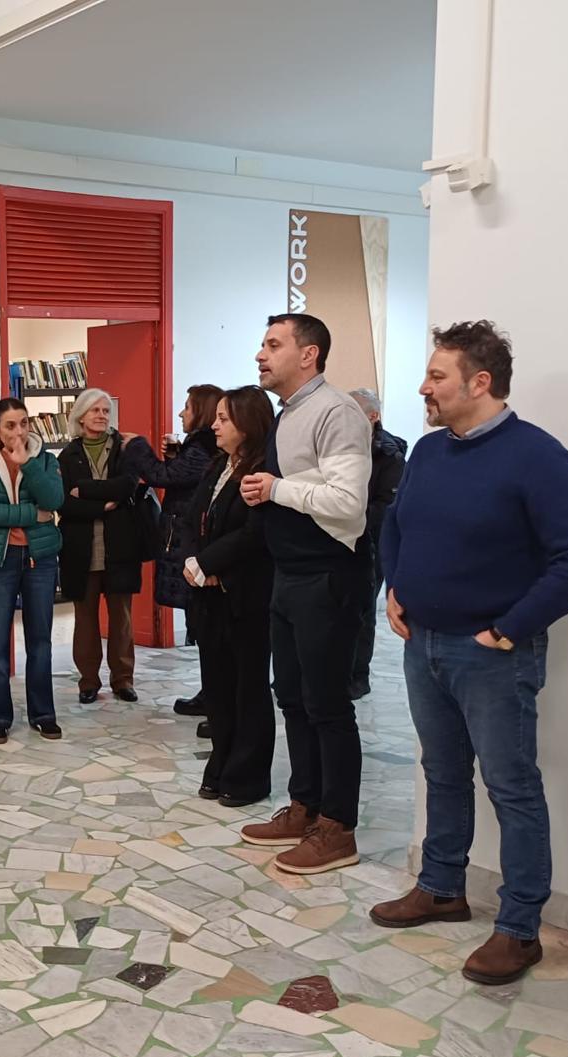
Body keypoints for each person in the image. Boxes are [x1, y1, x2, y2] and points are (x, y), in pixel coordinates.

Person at [371, 321, 568, 986]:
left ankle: (518, 929)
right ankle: (442, 886)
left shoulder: (538, 458)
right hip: (426, 647)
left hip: (493, 654)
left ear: (481, 383)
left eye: (437, 375)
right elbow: (396, 524)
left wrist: (509, 628)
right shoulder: (429, 451)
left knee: (513, 790)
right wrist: (395, 586)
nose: (424, 386)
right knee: (442, 773)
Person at [236, 314, 373, 875]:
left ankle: (337, 828)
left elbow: (348, 504)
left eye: (273, 345)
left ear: (309, 355)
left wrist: (276, 488)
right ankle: (305, 805)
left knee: (327, 705)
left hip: (326, 575)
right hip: (289, 574)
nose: (260, 355)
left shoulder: (335, 412)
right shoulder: (289, 413)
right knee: (291, 696)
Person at [182, 387, 278, 808]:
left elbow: (256, 532)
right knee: (218, 688)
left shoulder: (265, 468)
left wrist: (209, 563)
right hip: (209, 596)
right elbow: (193, 516)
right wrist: (191, 559)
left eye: (224, 419)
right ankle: (219, 764)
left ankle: (248, 776)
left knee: (248, 689)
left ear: (248, 424)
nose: (215, 425)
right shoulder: (220, 464)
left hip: (244, 595)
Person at [0, 397, 65, 744]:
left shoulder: (45, 459)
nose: (19, 431)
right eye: (10, 425)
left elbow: (54, 501)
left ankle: (43, 713)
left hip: (40, 559)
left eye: (24, 423)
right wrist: (30, 515)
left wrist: (30, 466)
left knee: (40, 641)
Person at [122, 384, 222, 715]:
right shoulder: (201, 449)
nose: (181, 413)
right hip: (187, 542)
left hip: (193, 546)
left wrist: (137, 446)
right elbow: (181, 477)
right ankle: (211, 694)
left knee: (207, 629)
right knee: (201, 626)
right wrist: (177, 454)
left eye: (187, 408)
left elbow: (160, 475)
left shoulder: (204, 448)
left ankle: (215, 698)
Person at [57, 388, 143, 704]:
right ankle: (88, 681)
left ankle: (123, 680)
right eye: (95, 411)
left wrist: (88, 491)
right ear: (80, 416)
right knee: (86, 616)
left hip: (121, 545)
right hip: (81, 547)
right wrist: (101, 505)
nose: (102, 416)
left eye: (106, 411)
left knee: (121, 618)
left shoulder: (125, 449)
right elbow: (64, 503)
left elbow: (127, 485)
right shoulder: (68, 455)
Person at [347, 389, 407, 698]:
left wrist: (346, 514)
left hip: (371, 541)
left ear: (373, 416)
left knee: (362, 608)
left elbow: (386, 507)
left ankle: (359, 675)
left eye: (353, 410)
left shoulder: (389, 455)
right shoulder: (338, 446)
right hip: (339, 541)